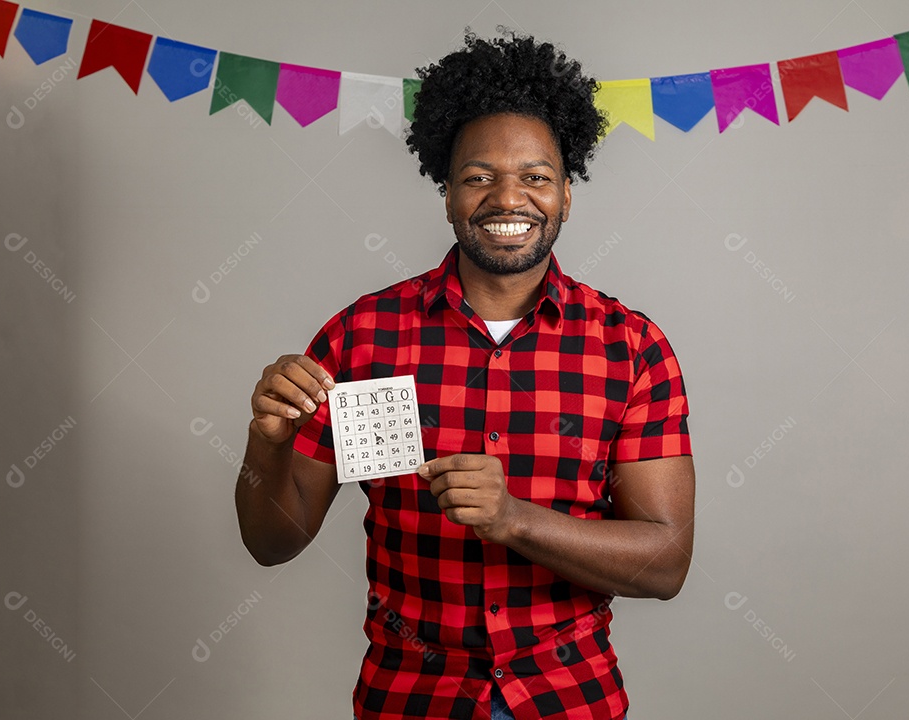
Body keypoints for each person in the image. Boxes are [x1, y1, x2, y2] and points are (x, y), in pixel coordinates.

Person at [235, 31, 695, 720]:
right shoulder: (362, 337)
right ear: (447, 194)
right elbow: (273, 543)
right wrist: (267, 445)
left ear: (566, 195)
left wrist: (515, 520)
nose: (509, 198)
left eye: (536, 177)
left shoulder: (631, 348)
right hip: (409, 701)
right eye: (479, 177)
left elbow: (665, 562)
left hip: (569, 700)